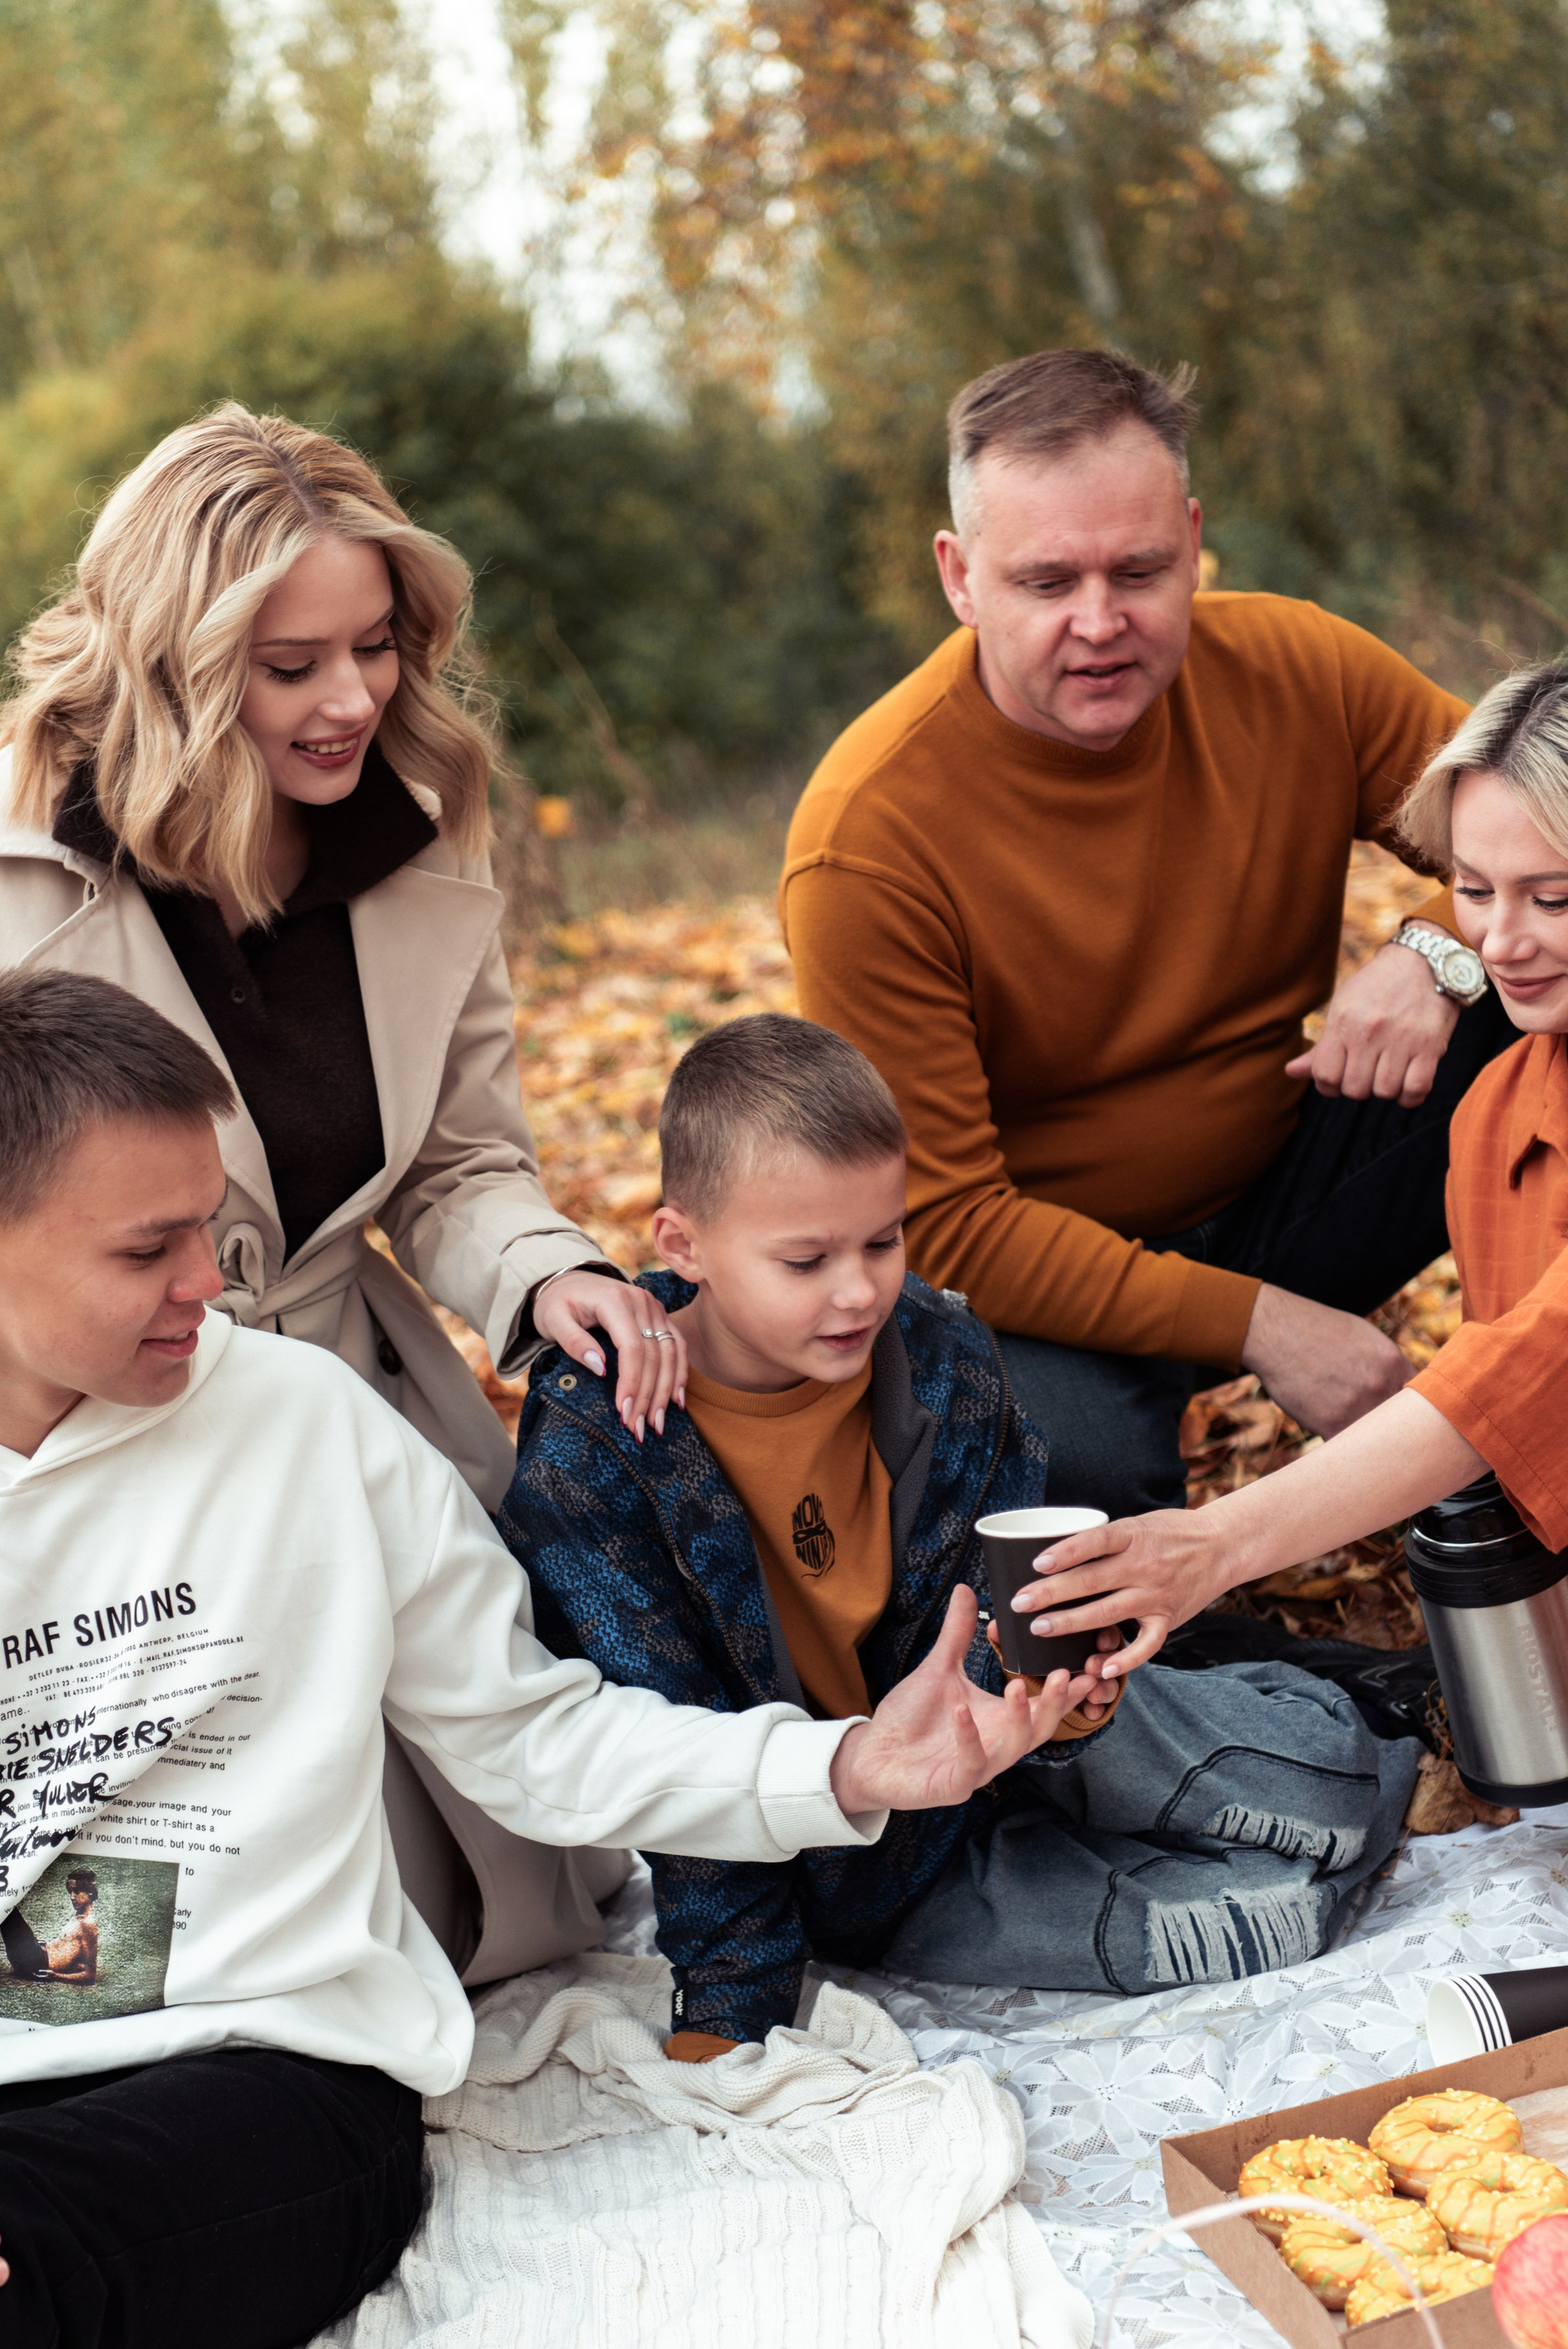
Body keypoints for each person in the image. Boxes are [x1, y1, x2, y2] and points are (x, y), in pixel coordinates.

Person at [0, 969, 1025, 2349]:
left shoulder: (296, 1419)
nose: (207, 1285)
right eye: (142, 1249)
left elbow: (530, 1734)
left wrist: (844, 1761)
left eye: (208, 1230)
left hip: (266, 2080)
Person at [0, 402, 684, 1988]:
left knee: (439, 1932)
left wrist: (545, 1277)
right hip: (62, 1474)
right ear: (169, 663)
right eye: (292, 666)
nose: (353, 698)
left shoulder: (425, 843)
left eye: (377, 645)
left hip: (339, 1425)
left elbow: (467, 1160)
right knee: (109, 1969)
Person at [498, 1014, 1425, 2049]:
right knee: (1255, 1925)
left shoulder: (940, 1354)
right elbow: (674, 1738)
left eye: (883, 1241)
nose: (859, 1291)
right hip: (856, 1848)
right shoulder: (600, 1445)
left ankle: (1352, 1719)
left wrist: (1069, 1707)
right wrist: (732, 2003)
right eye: (805, 1260)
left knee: (1340, 1796)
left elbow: (1012, 1616)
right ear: (684, 1245)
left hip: (1016, 1738)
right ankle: (1236, 1760)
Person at [781, 347, 1521, 1519]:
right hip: (1037, 1283)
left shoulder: (1299, 669)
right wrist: (1263, 1325)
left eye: (1139, 570)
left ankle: (1536, 1404)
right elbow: (946, 1221)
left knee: (1544, 1002)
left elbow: (1549, 824)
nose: (1100, 624)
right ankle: (1286, 1679)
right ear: (959, 577)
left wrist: (1436, 949)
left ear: (1191, 537)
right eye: (1044, 583)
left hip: (1295, 1174)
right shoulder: (866, 839)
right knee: (1062, 1492)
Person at [1009, 658, 1568, 1673]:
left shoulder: (1283, 669)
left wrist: (1220, 1541)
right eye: (1475, 892)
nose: (1503, 941)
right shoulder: (1498, 1110)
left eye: (1556, 898)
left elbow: (1536, 1365)